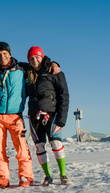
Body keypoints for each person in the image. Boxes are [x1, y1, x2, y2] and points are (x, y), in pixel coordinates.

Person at [0, 42, 34, 188]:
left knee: (21, 147)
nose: (2, 57)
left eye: (5, 54)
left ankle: (25, 176)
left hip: (15, 116)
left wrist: (53, 63)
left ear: (10, 54)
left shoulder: (22, 68)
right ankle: (2, 177)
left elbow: (39, 63)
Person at [26, 46, 70, 185]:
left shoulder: (55, 72)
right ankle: (47, 176)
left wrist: (62, 118)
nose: (35, 60)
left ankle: (63, 174)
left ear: (42, 57)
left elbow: (64, 95)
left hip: (52, 114)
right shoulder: (26, 73)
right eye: (31, 58)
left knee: (56, 143)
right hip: (34, 115)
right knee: (39, 146)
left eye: (37, 57)